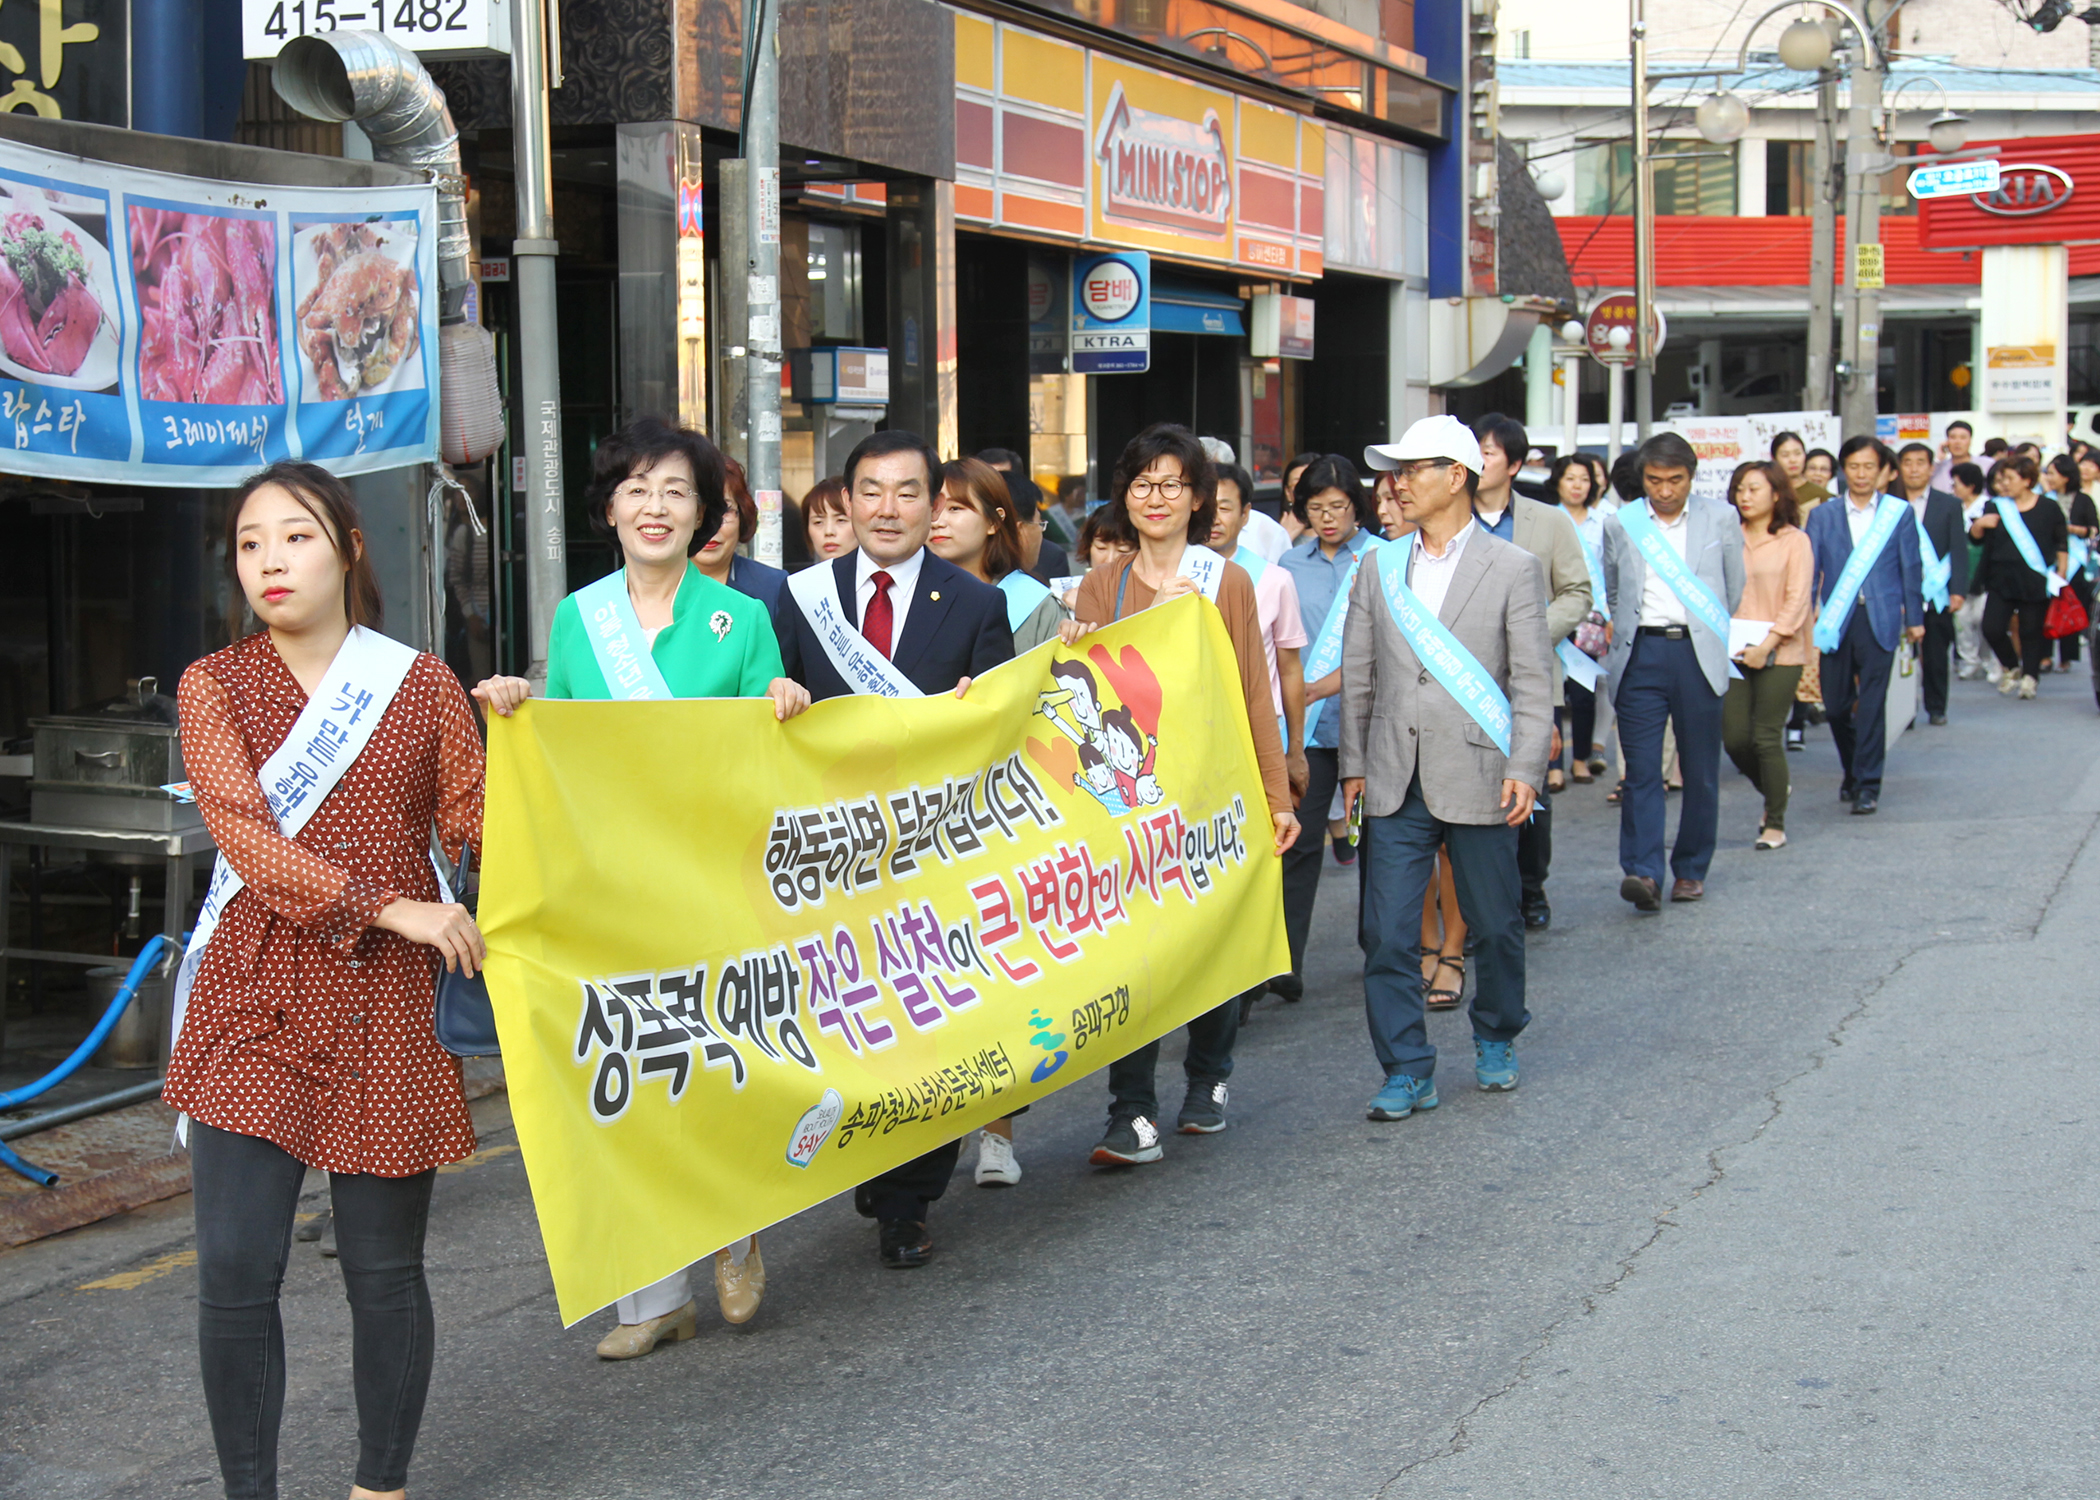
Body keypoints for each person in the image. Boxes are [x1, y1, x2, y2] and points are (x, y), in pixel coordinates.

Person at [173, 460, 487, 1500]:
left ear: (349, 547)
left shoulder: (424, 683)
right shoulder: (214, 685)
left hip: (393, 1007)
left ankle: (378, 1487)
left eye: (295, 536)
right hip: (254, 993)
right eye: (251, 542)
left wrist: (525, 735)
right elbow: (249, 847)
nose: (270, 559)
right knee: (233, 1272)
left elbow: (478, 831)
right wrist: (392, 907)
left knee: (384, 1273)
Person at [475, 418, 807, 1358]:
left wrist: (784, 702)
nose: (655, 507)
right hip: (616, 890)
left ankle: (738, 1218)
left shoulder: (740, 620)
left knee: (722, 1058)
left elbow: (771, 757)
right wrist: (517, 706)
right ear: (609, 510)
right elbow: (568, 749)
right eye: (637, 489)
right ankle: (655, 1298)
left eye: (676, 491)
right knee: (631, 1076)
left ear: (706, 514)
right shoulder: (578, 619)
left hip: (714, 885)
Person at [778, 429, 1014, 1267]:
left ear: (934, 504)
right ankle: (870, 1152)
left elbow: (1001, 741)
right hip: (826, 861)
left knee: (925, 1027)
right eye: (870, 491)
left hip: (929, 860)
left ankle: (910, 1202)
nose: (887, 508)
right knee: (846, 1026)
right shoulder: (798, 598)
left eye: (907, 492)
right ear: (845, 502)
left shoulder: (978, 606)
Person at [1065, 423, 1297, 1162]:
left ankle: (1210, 1073)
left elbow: (1254, 695)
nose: (1154, 498)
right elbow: (1084, 695)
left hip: (1210, 795)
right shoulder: (1107, 581)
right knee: (1131, 953)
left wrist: (1276, 796)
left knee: (1210, 942)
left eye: (1170, 484)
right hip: (1131, 802)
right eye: (1141, 484)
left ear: (1198, 498)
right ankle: (1130, 1110)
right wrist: (1069, 645)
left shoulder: (1225, 580)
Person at [1337, 415, 1551, 1119]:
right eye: (1394, 470)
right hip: (1396, 775)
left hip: (1483, 772)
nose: (1396, 483)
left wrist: (1526, 762)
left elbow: (1531, 678)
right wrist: (1353, 766)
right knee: (1387, 933)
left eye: (1412, 468)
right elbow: (1359, 674)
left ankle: (1496, 1033)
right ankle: (1406, 1065)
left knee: (1494, 923)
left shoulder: (1513, 567)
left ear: (1455, 476)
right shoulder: (1379, 565)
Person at [1601, 432, 1745, 910]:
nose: (1664, 491)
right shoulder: (1622, 523)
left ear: (1691, 477)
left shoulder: (1721, 518)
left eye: (1675, 481)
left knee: (1701, 770)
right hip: (1641, 653)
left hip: (1696, 655)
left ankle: (1690, 869)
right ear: (1642, 479)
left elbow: (1733, 586)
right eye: (1655, 481)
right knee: (1641, 772)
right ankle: (1643, 871)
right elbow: (1615, 589)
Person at [1466, 414, 1590, 931]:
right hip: (1465, 675)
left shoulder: (1549, 521)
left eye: (1490, 453)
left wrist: (1530, 631)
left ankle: (1530, 886)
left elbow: (1577, 593)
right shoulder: (1452, 518)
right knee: (1471, 789)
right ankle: (1475, 901)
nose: (1479, 460)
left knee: (1529, 783)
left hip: (1532, 679)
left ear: (1514, 464)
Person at [1277, 454, 1384, 999]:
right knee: (1298, 844)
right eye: (1315, 508)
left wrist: (1329, 683)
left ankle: (1384, 949)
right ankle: (1284, 963)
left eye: (1338, 507)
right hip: (1311, 731)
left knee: (1379, 842)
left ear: (1357, 507)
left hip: (1376, 726)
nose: (1327, 518)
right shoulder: (1290, 568)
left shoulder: (1387, 559)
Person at [1212, 460, 1310, 1021]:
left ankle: (1255, 967)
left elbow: (1290, 669)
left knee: (1255, 855)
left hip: (1257, 735)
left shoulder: (1271, 579)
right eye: (1210, 505)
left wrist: (1295, 747)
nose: (1216, 517)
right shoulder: (1177, 576)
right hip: (1196, 740)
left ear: (1247, 514)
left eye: (1228, 506)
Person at [1804, 437, 1924, 816]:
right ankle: (1852, 769)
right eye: (1853, 466)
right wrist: (1805, 615)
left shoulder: (1898, 513)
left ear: (1883, 471)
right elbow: (1811, 569)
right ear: (1843, 469)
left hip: (1882, 618)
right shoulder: (1823, 515)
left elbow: (1911, 567)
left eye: (1868, 467)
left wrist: (1916, 619)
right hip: (1837, 621)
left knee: (1872, 704)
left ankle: (1868, 784)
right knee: (1837, 707)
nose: (1861, 474)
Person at [1721, 462, 1813, 851]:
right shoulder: (1726, 537)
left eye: (1754, 489)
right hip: (1732, 648)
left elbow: (1797, 600)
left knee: (1765, 735)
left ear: (1776, 494)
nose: (1745, 497)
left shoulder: (1795, 540)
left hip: (1782, 648)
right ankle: (1776, 787)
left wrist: (1767, 645)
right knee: (1735, 738)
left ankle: (1774, 820)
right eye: (1740, 489)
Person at [933, 457, 1066, 652]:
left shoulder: (1035, 604)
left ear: (993, 521)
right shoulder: (902, 594)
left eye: (955, 508)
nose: (937, 522)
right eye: (933, 508)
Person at [1970, 451, 2068, 700]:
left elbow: (2061, 543)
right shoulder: (1995, 506)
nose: (2003, 485)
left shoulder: (2048, 507)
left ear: (2026, 480)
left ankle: (2030, 678)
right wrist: (1980, 524)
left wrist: (2061, 574)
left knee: (2030, 630)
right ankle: (2012, 666)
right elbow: (1974, 538)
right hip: (2000, 577)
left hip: (2034, 578)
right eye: (2001, 480)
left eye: (2009, 479)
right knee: (1991, 627)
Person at [1547, 453, 1611, 785]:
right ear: (1558, 480)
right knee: (1552, 689)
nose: (1577, 485)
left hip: (1591, 619)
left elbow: (1608, 572)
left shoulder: (1603, 522)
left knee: (1585, 693)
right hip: (1554, 612)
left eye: (1584, 479)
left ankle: (1581, 758)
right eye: (1571, 478)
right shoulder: (1547, 519)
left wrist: (1609, 615)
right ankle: (1553, 765)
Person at [1896, 441, 1968, 724]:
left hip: (1936, 591)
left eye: (1920, 463)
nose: (1914, 469)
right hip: (1900, 590)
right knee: (1902, 653)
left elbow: (1958, 549)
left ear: (1931, 467)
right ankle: (1904, 711)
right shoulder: (1889, 503)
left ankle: (1936, 707)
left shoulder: (1948, 504)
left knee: (1936, 652)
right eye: (1908, 463)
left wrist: (1958, 590)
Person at [698, 454, 792, 633]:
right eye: (700, 510)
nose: (711, 526)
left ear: (742, 515)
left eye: (723, 511)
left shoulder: (774, 587)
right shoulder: (653, 585)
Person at [2042, 453, 2096, 671]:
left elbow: (2093, 529)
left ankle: (2067, 656)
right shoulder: (2045, 499)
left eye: (2053, 473)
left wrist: (2073, 529)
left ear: (2066, 476)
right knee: (2044, 607)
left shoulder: (2083, 500)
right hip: (2048, 558)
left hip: (2075, 559)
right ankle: (2044, 655)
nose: (2050, 477)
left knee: (2068, 605)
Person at [1949, 461, 1993, 681]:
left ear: (1970, 485)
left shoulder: (1988, 506)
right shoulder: (1952, 507)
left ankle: (1990, 662)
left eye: (1956, 484)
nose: (1953, 488)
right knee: (1962, 621)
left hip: (1984, 574)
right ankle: (1969, 661)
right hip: (1959, 573)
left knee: (1985, 620)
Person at [802, 475, 854, 565]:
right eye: (818, 522)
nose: (829, 531)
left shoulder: (879, 578)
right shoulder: (798, 579)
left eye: (841, 520)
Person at [1773, 430, 1827, 510]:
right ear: (1774, 459)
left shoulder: (1820, 495)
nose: (1792, 460)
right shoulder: (1768, 493)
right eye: (1785, 455)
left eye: (1797, 453)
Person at [1280, 451, 1321, 545]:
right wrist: (1286, 536)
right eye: (1297, 484)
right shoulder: (1270, 533)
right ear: (1288, 493)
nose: (1305, 490)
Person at [1931, 419, 1981, 493]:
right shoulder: (1939, 468)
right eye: (1953, 437)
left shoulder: (1986, 464)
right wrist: (1938, 459)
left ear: (1970, 441)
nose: (1957, 442)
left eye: (1963, 437)